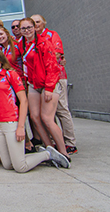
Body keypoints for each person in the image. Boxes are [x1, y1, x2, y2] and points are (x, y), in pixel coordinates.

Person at [0, 48, 70, 172]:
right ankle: (37, 155)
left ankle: (48, 154)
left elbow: (24, 101)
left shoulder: (10, 74)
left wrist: (20, 127)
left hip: (11, 122)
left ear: (2, 60)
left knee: (20, 167)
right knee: (7, 165)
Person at [17, 18, 70, 159]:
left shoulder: (44, 43)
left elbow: (52, 67)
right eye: (23, 28)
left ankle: (63, 151)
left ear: (34, 27)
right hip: (34, 84)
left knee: (47, 118)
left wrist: (49, 88)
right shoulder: (22, 44)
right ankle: (50, 148)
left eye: (29, 27)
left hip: (48, 84)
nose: (27, 31)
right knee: (35, 117)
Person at [31, 14, 77, 155]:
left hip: (56, 77)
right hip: (40, 80)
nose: (36, 24)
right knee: (46, 113)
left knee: (61, 110)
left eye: (38, 22)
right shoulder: (32, 40)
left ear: (44, 22)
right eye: (33, 22)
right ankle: (55, 141)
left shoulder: (51, 35)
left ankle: (70, 143)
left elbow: (56, 55)